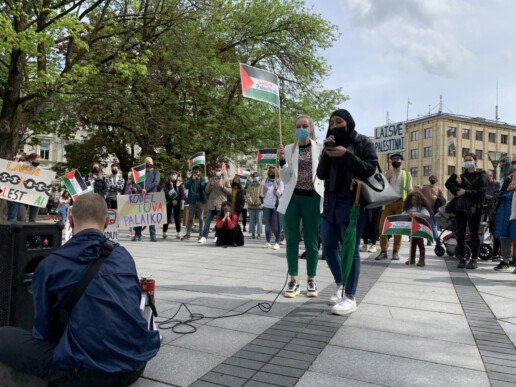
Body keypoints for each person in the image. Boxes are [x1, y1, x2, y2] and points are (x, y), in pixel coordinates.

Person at [0, 193, 160, 386]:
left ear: (69, 219)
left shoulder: (52, 263)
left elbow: (44, 332)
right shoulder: (123, 256)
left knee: (5, 335)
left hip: (87, 374)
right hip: (136, 365)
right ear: (108, 222)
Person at [317, 109, 377, 316]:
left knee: (350, 248)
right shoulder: (329, 144)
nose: (335, 125)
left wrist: (347, 155)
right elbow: (321, 174)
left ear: (349, 122)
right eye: (332, 122)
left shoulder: (363, 142)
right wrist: (326, 152)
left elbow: (370, 169)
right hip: (330, 201)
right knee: (329, 245)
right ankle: (340, 285)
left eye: (339, 121)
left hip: (353, 202)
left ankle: (350, 297)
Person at [277, 115, 324, 298]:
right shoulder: (289, 149)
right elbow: (287, 178)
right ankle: (294, 280)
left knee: (312, 240)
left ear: (311, 128)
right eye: (299, 126)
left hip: (312, 197)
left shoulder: (320, 148)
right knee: (292, 239)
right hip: (293, 199)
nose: (302, 128)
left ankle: (311, 279)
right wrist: (281, 161)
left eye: (305, 126)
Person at [445, 153, 487, 269]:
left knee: (474, 234)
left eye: (470, 160)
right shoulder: (462, 177)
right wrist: (454, 180)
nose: (468, 162)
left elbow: (481, 192)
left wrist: (466, 191)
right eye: (466, 160)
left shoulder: (481, 176)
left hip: (474, 209)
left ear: (475, 161)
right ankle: (462, 258)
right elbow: (454, 190)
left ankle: (474, 259)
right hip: (461, 208)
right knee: (460, 234)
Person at [376, 153, 412, 261]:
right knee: (382, 227)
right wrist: (386, 179)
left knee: (398, 228)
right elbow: (382, 188)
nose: (395, 161)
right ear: (391, 162)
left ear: (402, 161)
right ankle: (383, 251)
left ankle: (396, 251)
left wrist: (409, 206)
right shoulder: (388, 174)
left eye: (398, 159)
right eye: (393, 159)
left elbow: (410, 191)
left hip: (400, 203)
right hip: (388, 204)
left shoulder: (407, 175)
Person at [493, 158, 516, 273]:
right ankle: (506, 260)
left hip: (513, 205)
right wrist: (507, 189)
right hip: (506, 205)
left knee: (514, 234)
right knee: (504, 235)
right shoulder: (506, 176)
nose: (501, 165)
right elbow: (501, 191)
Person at [199, 164, 231, 243]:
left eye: (219, 170)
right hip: (211, 204)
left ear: (221, 171)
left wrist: (222, 186)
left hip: (221, 204)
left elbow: (229, 192)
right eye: (216, 170)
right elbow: (206, 191)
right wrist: (209, 184)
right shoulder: (211, 179)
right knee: (207, 221)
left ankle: (217, 236)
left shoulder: (226, 179)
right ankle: (204, 237)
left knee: (219, 222)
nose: (217, 172)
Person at [132, 157, 160, 242]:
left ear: (152, 162)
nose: (148, 163)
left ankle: (153, 235)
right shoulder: (140, 172)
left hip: (151, 196)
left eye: (149, 162)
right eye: (146, 162)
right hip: (140, 196)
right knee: (139, 216)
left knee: (151, 217)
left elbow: (156, 182)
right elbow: (136, 183)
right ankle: (137, 235)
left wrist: (146, 189)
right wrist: (141, 190)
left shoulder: (156, 172)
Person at [402, 191, 431, 266]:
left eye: (415, 200)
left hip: (419, 228)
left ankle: (422, 259)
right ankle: (412, 258)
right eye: (412, 200)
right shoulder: (409, 208)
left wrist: (416, 215)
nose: (413, 201)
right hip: (411, 228)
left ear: (419, 200)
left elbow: (427, 215)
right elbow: (402, 215)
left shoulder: (421, 208)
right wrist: (408, 215)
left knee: (420, 243)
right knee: (412, 243)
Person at [262, 166, 284, 250]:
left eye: (273, 173)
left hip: (276, 206)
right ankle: (267, 242)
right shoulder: (265, 181)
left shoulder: (279, 182)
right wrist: (263, 193)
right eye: (270, 173)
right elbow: (261, 195)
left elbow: (280, 195)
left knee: (277, 225)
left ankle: (277, 242)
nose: (271, 175)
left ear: (276, 173)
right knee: (267, 224)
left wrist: (276, 188)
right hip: (267, 205)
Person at [182, 165, 207, 240]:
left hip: (201, 201)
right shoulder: (190, 179)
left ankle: (201, 235)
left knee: (201, 218)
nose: (197, 171)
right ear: (193, 171)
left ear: (200, 172)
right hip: (192, 201)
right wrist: (192, 179)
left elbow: (206, 189)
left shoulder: (203, 179)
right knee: (190, 218)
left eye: (198, 170)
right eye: (196, 170)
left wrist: (206, 182)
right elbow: (186, 186)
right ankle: (188, 234)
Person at [421, 175, 445, 245]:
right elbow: (420, 196)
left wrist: (436, 198)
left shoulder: (438, 189)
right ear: (429, 180)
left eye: (434, 179)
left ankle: (431, 239)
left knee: (433, 225)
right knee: (431, 225)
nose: (432, 180)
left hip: (436, 210)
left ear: (436, 180)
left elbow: (442, 200)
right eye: (431, 179)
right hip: (427, 209)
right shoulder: (425, 188)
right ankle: (436, 240)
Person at [162, 170, 184, 239]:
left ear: (177, 175)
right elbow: (166, 192)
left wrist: (177, 200)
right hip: (169, 201)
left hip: (178, 202)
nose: (173, 175)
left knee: (177, 217)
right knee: (167, 217)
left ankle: (178, 233)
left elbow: (181, 193)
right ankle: (164, 232)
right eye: (172, 174)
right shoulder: (167, 183)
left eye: (175, 174)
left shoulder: (179, 183)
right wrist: (172, 200)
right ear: (170, 175)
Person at [485, 170, 501, 260]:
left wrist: (488, 197)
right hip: (489, 212)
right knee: (492, 232)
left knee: (496, 233)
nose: (487, 181)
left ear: (492, 176)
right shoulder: (485, 185)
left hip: (496, 212)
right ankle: (494, 252)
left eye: (488, 178)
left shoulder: (497, 184)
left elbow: (497, 196)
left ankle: (496, 253)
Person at [247, 172, 263, 239]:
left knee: (259, 221)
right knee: (252, 221)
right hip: (251, 206)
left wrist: (258, 202)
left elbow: (262, 195)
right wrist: (251, 201)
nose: (255, 177)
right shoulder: (250, 186)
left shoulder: (261, 185)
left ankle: (259, 234)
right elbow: (248, 195)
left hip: (259, 206)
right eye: (254, 176)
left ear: (259, 177)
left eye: (256, 176)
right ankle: (252, 234)